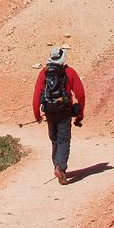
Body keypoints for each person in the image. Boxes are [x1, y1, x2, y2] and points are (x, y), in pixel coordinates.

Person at [32, 45, 85, 185]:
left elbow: (37, 95)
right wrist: (80, 113)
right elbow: (80, 94)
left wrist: (37, 114)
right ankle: (60, 167)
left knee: (55, 140)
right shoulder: (70, 72)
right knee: (64, 140)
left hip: (49, 111)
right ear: (63, 58)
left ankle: (57, 165)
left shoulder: (44, 72)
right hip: (64, 111)